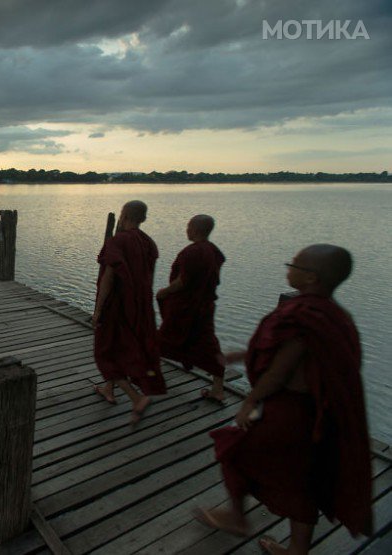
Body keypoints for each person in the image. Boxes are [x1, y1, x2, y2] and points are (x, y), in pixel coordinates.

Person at [196, 244, 372, 554]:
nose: (288, 269)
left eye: (294, 265)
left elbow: (279, 372)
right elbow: (316, 361)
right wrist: (240, 356)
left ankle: (237, 516)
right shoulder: (336, 317)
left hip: (288, 412)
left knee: (232, 450)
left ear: (311, 279)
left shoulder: (304, 315)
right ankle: (297, 551)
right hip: (317, 413)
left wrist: (250, 401)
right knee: (301, 481)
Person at [92, 200, 165, 424]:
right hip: (140, 306)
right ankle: (109, 389)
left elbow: (108, 278)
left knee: (105, 351)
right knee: (124, 346)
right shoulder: (148, 243)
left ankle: (136, 398)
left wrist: (98, 310)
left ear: (123, 215)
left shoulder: (118, 241)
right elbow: (149, 278)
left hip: (117, 306)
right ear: (144, 218)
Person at [156, 215, 226, 403]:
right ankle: (218, 389)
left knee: (161, 340)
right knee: (209, 346)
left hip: (186, 309)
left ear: (195, 229)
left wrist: (164, 291)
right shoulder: (213, 251)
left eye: (188, 226)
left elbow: (183, 281)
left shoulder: (192, 252)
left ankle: (147, 377)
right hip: (204, 307)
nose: (186, 230)